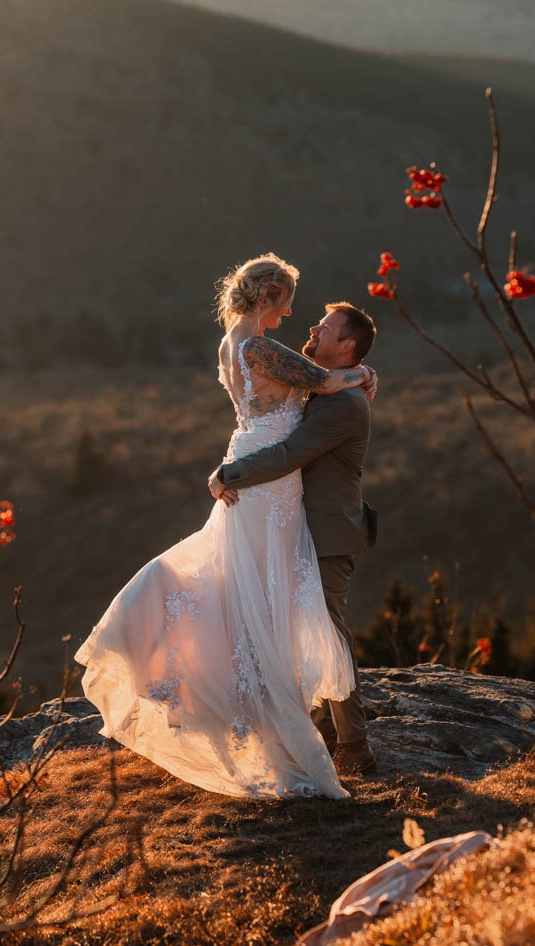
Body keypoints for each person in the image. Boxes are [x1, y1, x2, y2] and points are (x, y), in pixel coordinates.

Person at [76, 252, 375, 799]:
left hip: (254, 461)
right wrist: (362, 373)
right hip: (267, 477)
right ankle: (279, 715)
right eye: (286, 303)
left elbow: (307, 387)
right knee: (265, 596)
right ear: (267, 298)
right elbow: (322, 384)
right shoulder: (261, 345)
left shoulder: (231, 342)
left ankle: (240, 698)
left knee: (246, 589)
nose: (292, 315)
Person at [208, 301, 377, 776]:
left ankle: (354, 745)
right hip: (301, 528)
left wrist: (230, 473)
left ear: (345, 346)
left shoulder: (343, 402)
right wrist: (363, 371)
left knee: (326, 629)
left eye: (324, 328)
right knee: (301, 630)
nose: (312, 329)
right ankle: (317, 734)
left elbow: (289, 453)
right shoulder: (326, 385)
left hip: (329, 533)